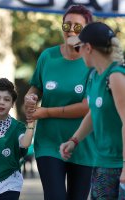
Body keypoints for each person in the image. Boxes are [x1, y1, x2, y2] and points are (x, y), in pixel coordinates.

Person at [23, 5, 96, 200]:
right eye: (67, 25)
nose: (71, 30)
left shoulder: (94, 62)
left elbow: (86, 107)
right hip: (49, 142)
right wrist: (30, 98)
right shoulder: (48, 56)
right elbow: (36, 87)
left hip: (83, 144)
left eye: (78, 27)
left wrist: (45, 112)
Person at [60, 22, 125, 199]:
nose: (77, 52)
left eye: (79, 47)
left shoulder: (116, 76)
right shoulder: (95, 75)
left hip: (119, 165)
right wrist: (74, 140)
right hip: (102, 163)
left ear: (88, 48)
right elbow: (94, 111)